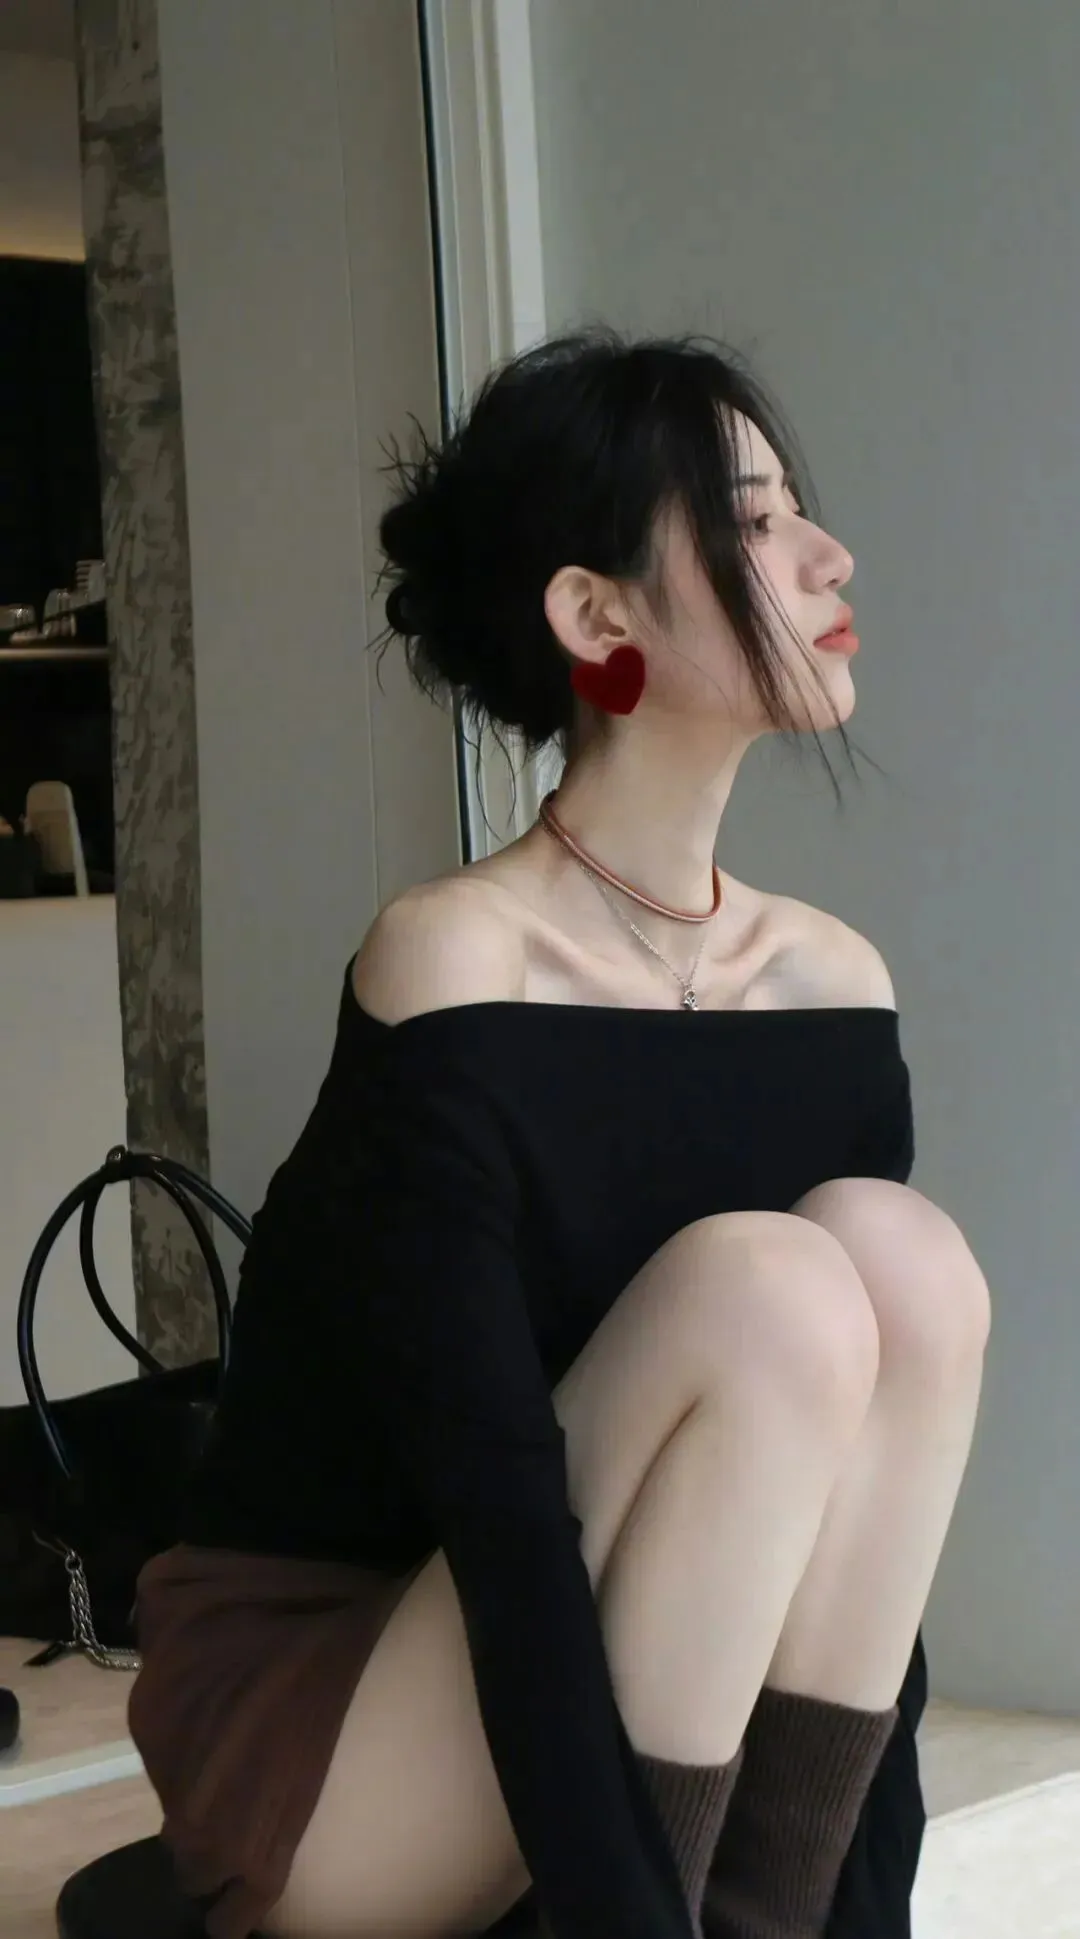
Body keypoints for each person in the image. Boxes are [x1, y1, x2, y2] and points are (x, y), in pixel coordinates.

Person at [127, 329, 991, 1939]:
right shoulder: (455, 964)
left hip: (609, 1665)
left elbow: (864, 1524)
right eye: (751, 520)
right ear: (598, 619)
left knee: (904, 1265)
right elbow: (505, 1513)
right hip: (333, 1707)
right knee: (769, 1289)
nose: (828, 556)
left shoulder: (828, 983)